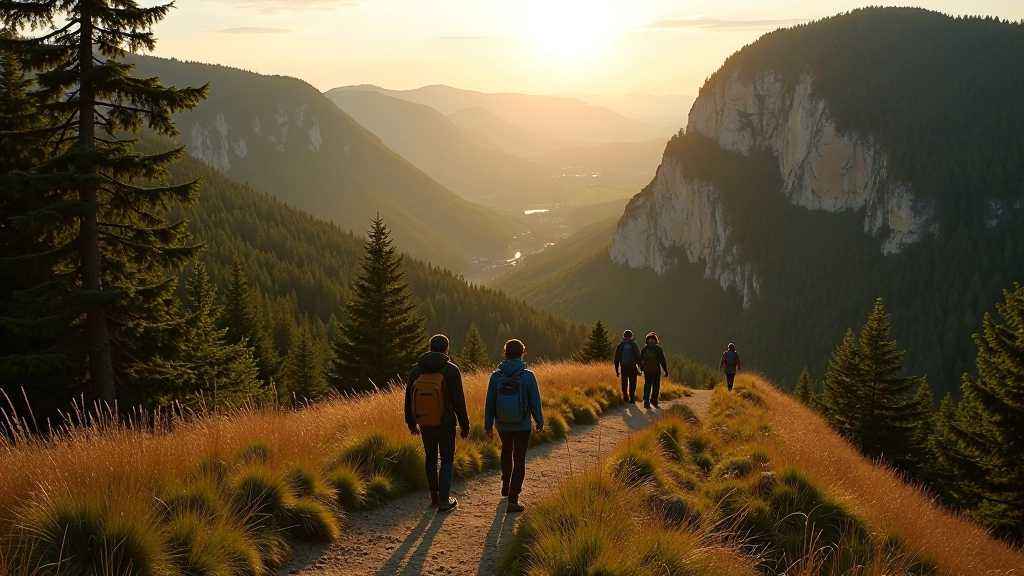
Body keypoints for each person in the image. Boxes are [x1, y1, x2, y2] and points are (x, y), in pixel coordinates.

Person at [405, 334, 470, 513]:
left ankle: (434, 496)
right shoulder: (450, 370)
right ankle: (444, 500)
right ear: (446, 349)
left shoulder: (417, 370)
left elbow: (408, 398)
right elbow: (459, 401)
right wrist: (465, 426)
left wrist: (411, 422)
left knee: (430, 458)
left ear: (430, 347)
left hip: (425, 421)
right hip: (446, 423)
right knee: (447, 458)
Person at [484, 339, 544, 514]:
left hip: (502, 423)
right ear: (522, 353)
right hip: (522, 424)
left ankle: (505, 486)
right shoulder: (528, 376)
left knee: (506, 450)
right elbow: (535, 402)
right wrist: (539, 422)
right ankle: (513, 498)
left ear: (505, 353)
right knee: (519, 459)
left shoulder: (496, 376)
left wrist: (488, 425)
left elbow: (490, 403)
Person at [639, 332, 669, 409]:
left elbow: (640, 361)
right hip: (656, 371)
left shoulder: (644, 349)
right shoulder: (658, 349)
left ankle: (646, 401)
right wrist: (665, 370)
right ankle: (654, 401)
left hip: (647, 371)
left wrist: (641, 369)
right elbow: (662, 360)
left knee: (647, 385)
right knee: (656, 386)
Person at [614, 330, 642, 403]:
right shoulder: (634, 345)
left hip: (624, 367)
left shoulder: (620, 345)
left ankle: (625, 397)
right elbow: (638, 356)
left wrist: (617, 370)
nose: (627, 338)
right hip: (632, 367)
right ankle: (631, 397)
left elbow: (616, 358)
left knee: (624, 382)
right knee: (633, 382)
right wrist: (640, 367)